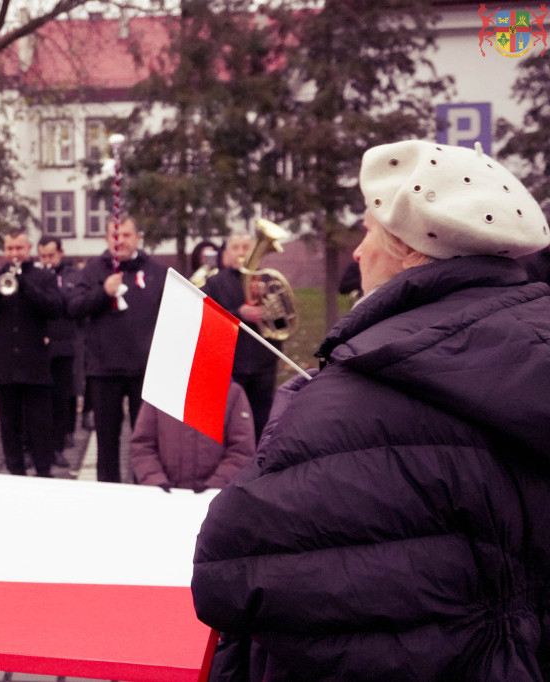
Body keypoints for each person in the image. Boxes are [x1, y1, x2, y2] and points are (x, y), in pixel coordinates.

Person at [193, 139, 550, 681]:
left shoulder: (350, 405)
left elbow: (227, 573)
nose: (357, 252)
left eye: (367, 229)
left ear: (411, 249)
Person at [66, 215, 167, 483]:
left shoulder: (157, 271)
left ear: (138, 237)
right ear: (106, 238)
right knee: (107, 441)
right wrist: (103, 292)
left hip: (144, 372)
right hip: (104, 369)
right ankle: (108, 492)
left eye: (125, 235)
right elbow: (73, 307)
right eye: (114, 235)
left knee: (145, 443)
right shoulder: (92, 270)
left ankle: (143, 489)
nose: (119, 240)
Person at [0, 228, 63, 477]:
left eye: (19, 248)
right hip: (5, 365)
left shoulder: (43, 277)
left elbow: (55, 308)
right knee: (9, 426)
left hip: (35, 364)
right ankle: (15, 473)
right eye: (10, 249)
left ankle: (44, 472)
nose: (14, 253)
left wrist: (24, 285)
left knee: (40, 425)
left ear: (28, 249)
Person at [201, 235, 281, 442]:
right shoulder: (215, 283)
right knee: (230, 424)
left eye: (246, 247)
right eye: (235, 248)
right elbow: (206, 317)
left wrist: (267, 301)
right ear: (226, 255)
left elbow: (282, 323)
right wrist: (239, 313)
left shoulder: (269, 280)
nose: (241, 252)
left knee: (261, 422)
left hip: (263, 366)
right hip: (231, 366)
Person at [130, 382, 255, 492]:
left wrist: (217, 483)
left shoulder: (232, 393)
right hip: (164, 495)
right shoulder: (160, 392)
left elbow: (241, 450)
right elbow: (143, 445)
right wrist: (155, 480)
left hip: (215, 499)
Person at [38, 235, 82, 468]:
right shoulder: (36, 273)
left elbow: (69, 300)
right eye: (42, 256)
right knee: (39, 401)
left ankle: (58, 446)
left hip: (63, 345)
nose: (46, 260)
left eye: (51, 256)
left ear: (60, 253)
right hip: (39, 346)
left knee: (61, 399)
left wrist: (47, 283)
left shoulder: (72, 274)